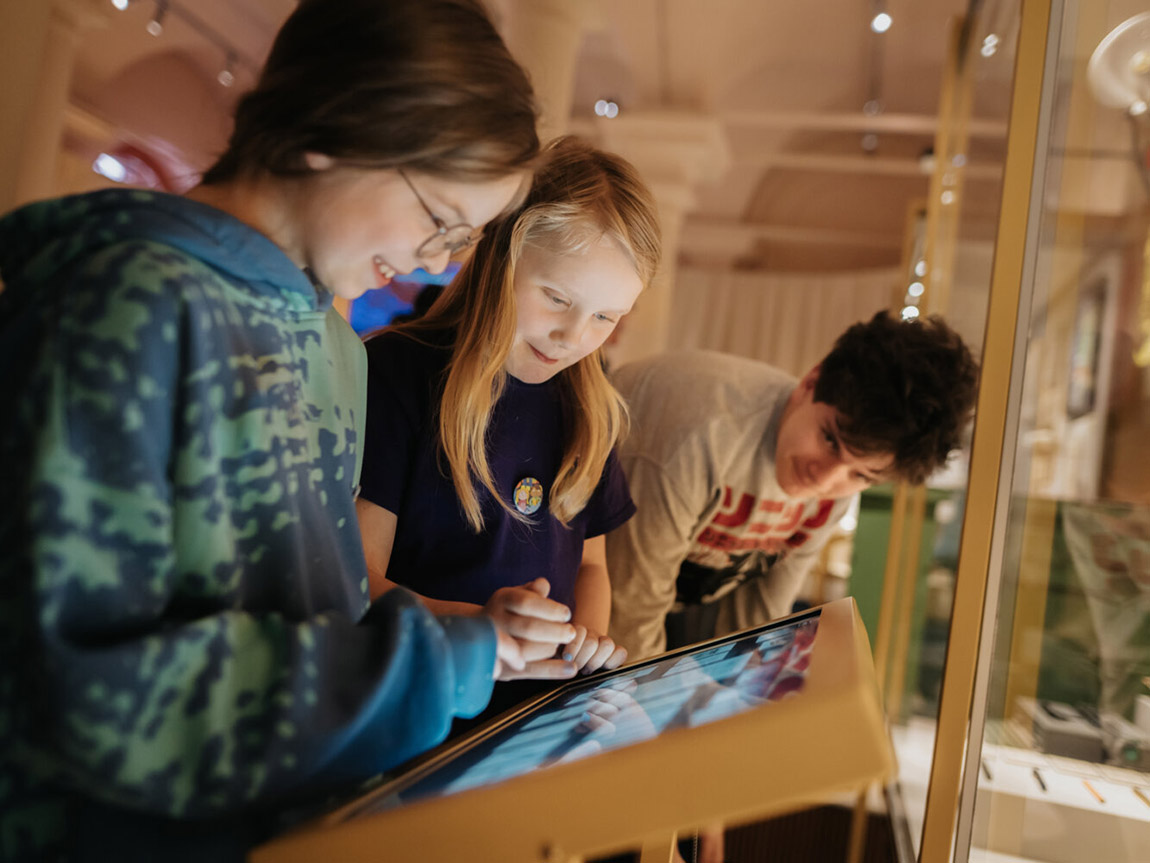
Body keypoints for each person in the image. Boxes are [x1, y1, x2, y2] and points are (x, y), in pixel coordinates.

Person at [0, 1, 572, 860]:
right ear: (332, 127)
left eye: (464, 239)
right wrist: (437, 663)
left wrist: (473, 638)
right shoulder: (126, 305)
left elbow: (306, 605)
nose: (441, 262)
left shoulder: (336, 345)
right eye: (440, 218)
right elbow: (80, 690)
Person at [356, 136, 662, 679]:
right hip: (418, 694)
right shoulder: (397, 372)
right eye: (557, 298)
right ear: (500, 258)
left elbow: (592, 564)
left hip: (533, 725)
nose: (572, 336)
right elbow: (357, 577)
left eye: (606, 317)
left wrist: (586, 645)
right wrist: (478, 632)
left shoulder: (592, 412)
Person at [606, 311, 980, 660]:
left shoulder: (833, 497)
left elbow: (757, 627)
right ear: (810, 383)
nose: (826, 479)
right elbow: (630, 612)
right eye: (830, 440)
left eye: (861, 475)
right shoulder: (701, 434)